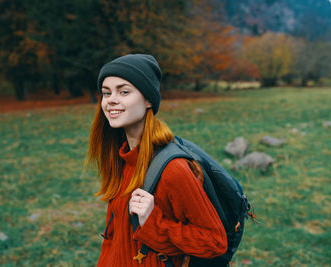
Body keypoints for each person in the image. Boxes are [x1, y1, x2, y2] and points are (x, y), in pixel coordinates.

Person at [87, 54, 227, 266]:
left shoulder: (173, 169)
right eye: (106, 93)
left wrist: (153, 222)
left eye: (124, 91)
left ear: (149, 100)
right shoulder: (121, 157)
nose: (111, 99)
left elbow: (214, 242)